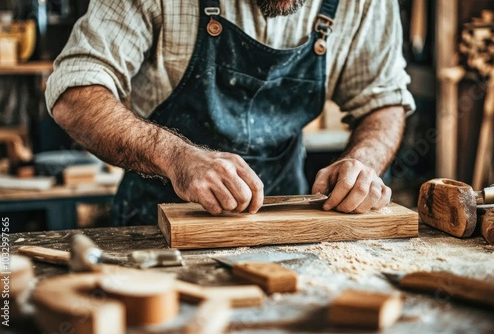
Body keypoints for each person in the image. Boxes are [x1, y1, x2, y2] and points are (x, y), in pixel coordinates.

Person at [45, 0, 415, 226]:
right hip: (155, 219)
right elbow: (74, 92)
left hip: (287, 220)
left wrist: (363, 163)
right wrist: (176, 157)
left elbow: (382, 100)